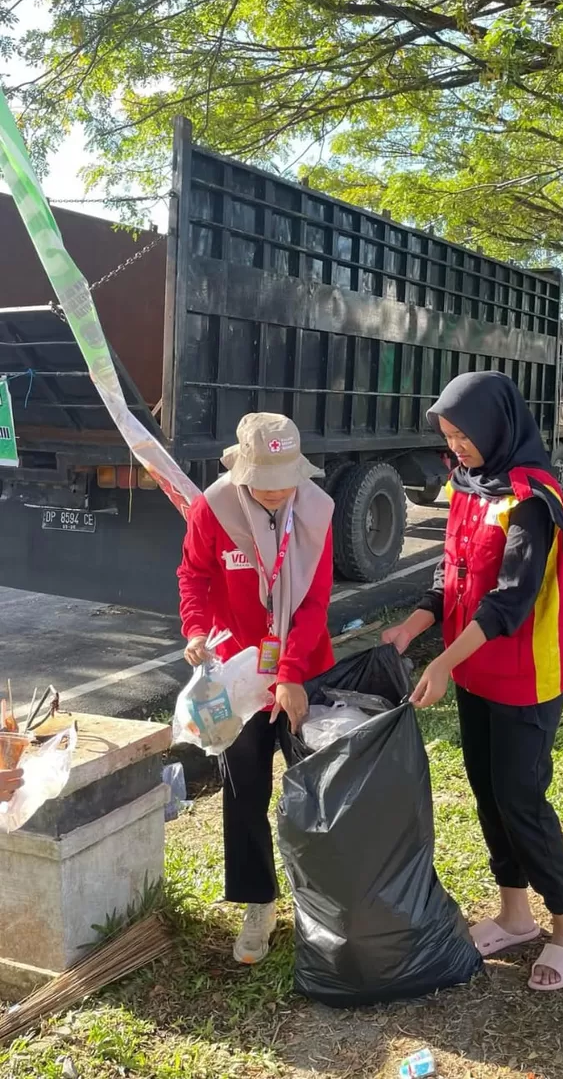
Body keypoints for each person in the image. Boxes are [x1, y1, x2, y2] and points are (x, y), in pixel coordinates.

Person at [382, 371, 563, 992]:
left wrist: (441, 662)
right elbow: (450, 574)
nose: (456, 447)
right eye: (447, 436)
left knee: (521, 798)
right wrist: (412, 629)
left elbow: (509, 602)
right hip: (477, 667)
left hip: (529, 671)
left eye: (463, 435)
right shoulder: (470, 484)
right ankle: (514, 914)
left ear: (498, 426)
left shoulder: (531, 497)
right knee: (487, 791)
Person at [177, 412, 334, 965]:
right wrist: (195, 628)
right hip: (236, 676)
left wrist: (291, 673)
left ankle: (326, 904)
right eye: (263, 487)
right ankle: (258, 903)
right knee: (244, 794)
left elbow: (315, 601)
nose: (275, 497)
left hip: (300, 668)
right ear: (242, 473)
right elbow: (193, 575)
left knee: (316, 792)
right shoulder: (212, 509)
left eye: (284, 484)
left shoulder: (315, 511)